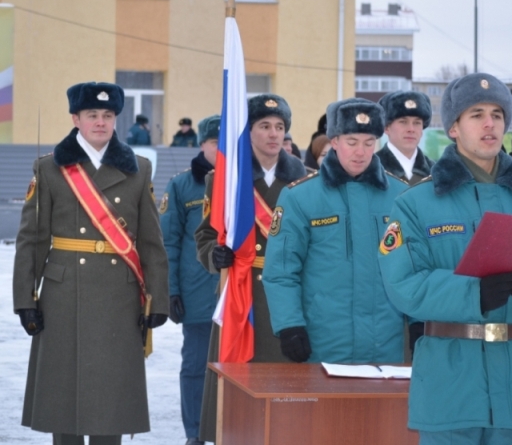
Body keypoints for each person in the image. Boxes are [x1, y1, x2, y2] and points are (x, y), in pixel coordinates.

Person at [378, 73, 512, 445]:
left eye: (496, 114)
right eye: (476, 114)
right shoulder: (415, 204)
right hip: (450, 380)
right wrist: (475, 294)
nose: (489, 123)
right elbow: (403, 285)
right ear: (454, 127)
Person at [13, 82, 169, 445]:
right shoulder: (50, 168)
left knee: (111, 402)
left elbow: (150, 243)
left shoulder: (139, 169)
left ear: (116, 119)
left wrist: (158, 299)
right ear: (76, 119)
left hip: (120, 295)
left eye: (108, 115)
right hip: (63, 295)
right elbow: (32, 240)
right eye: (92, 115)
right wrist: (25, 299)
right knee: (63, 398)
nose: (101, 122)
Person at [194, 93, 306, 442]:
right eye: (264, 126)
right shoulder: (226, 180)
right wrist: (215, 254)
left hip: (289, 297)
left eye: (280, 127)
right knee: (239, 395)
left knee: (287, 397)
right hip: (242, 294)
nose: (273, 134)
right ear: (249, 131)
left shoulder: (307, 181)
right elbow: (205, 235)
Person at [262, 98, 409, 364]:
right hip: (324, 341)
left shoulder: (401, 196)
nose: (361, 152)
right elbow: (281, 270)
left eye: (368, 143)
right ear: (335, 141)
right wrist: (289, 325)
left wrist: (420, 321)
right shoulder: (300, 197)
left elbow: (413, 264)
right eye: (352, 142)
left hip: (387, 343)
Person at [159, 115, 221, 445]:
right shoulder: (183, 185)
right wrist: (170, 290)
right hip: (198, 292)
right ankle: (195, 433)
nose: (222, 150)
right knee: (196, 365)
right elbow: (167, 240)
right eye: (215, 144)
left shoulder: (247, 182)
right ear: (201, 145)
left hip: (240, 296)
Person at [376, 90, 435, 185]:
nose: (411, 129)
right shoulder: (370, 169)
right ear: (386, 128)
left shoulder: (437, 172)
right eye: (403, 122)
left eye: (417, 123)